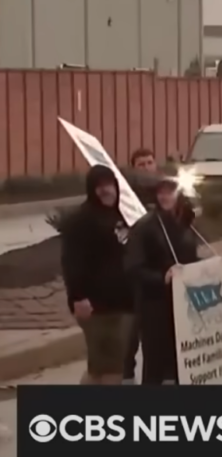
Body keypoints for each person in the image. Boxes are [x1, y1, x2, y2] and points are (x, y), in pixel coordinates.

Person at [61, 165, 135, 385]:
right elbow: (71, 262)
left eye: (109, 185)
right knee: (111, 369)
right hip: (97, 307)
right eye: (99, 186)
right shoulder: (81, 220)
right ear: (91, 189)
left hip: (121, 303)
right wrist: (78, 297)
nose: (106, 191)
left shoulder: (119, 215)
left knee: (99, 368)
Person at [124, 176, 200, 384]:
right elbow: (133, 267)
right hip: (154, 307)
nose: (166, 196)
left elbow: (188, 258)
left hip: (183, 306)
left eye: (171, 191)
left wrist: (210, 269)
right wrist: (161, 278)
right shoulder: (145, 227)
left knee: (180, 363)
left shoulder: (184, 224)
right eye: (161, 192)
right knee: (156, 365)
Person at [123, 147, 158, 383]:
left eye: (149, 162)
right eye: (141, 164)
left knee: (156, 334)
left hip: (159, 273)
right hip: (134, 276)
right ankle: (127, 375)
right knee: (131, 331)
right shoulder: (127, 198)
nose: (146, 168)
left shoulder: (165, 193)